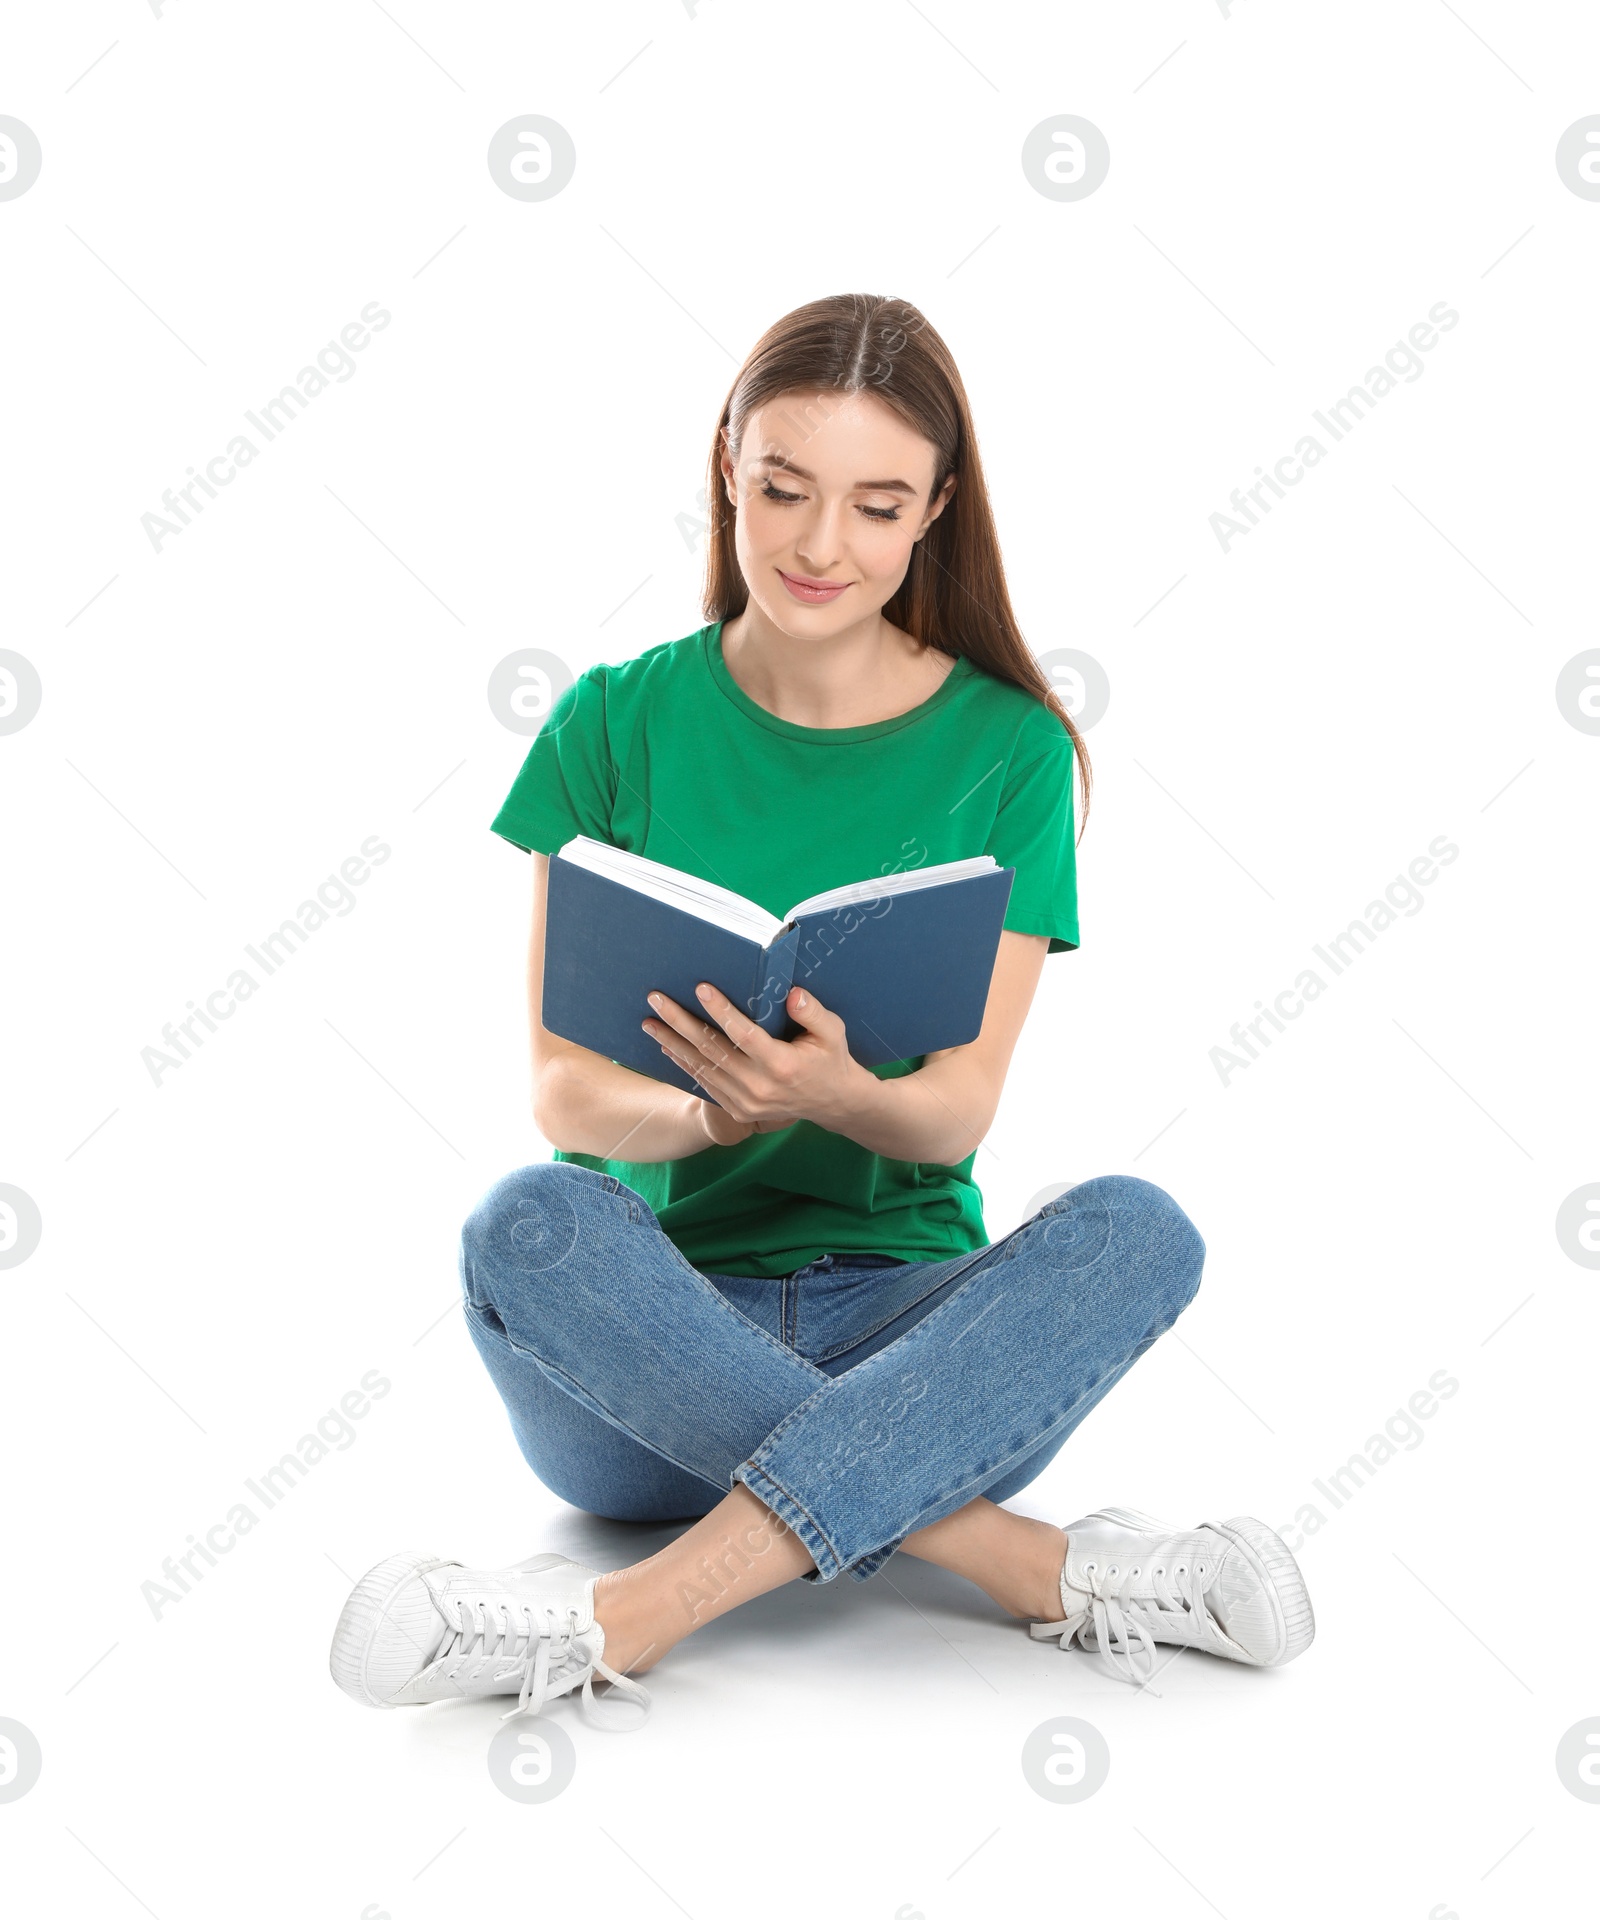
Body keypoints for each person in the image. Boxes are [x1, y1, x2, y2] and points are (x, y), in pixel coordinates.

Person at [329, 294, 1313, 1728]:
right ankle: (1032, 1568)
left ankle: (631, 1617)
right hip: (648, 1354)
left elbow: (954, 1116)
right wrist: (701, 1111)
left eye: (875, 504)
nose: (818, 546)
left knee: (1136, 1231)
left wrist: (834, 1096)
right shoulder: (611, 720)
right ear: (726, 461)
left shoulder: (1012, 750)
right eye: (783, 488)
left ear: (936, 514)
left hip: (910, 1324)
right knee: (525, 1221)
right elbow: (561, 1091)